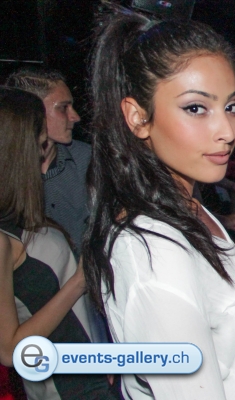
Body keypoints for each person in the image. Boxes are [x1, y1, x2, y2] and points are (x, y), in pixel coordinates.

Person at [83, 7, 235, 400]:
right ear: (138, 117)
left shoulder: (192, 210)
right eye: (196, 108)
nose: (227, 131)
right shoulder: (152, 249)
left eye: (231, 107)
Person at [0, 87, 116, 399]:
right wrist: (79, 281)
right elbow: (9, 350)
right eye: (41, 146)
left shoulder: (23, 216)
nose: (43, 158)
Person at [5, 69, 88, 259]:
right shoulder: (7, 171)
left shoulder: (89, 161)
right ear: (32, 112)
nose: (75, 116)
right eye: (63, 108)